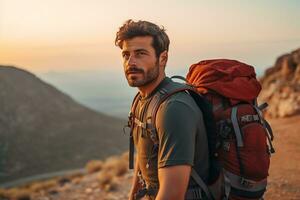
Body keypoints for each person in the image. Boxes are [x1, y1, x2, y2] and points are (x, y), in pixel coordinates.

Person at [115, 19, 210, 200]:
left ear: (163, 58)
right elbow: (145, 152)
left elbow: (173, 194)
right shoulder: (142, 100)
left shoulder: (173, 109)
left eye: (140, 53)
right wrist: (133, 195)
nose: (131, 62)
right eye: (126, 55)